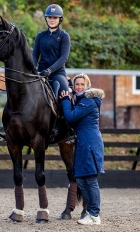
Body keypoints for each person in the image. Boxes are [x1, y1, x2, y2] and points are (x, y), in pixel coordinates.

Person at [0, 4, 71, 142]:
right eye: (49, 17)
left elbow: (63, 58)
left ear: (60, 19)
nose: (52, 20)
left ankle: (67, 129)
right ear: (46, 19)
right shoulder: (40, 36)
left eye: (55, 18)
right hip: (40, 73)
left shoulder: (64, 36)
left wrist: (50, 70)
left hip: (57, 74)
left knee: (64, 93)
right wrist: (33, 70)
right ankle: (8, 128)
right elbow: (34, 56)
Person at [60, 73, 105, 225]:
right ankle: (91, 213)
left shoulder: (88, 101)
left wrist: (65, 100)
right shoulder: (81, 99)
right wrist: (69, 88)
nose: (79, 87)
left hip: (90, 143)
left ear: (87, 86)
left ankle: (94, 215)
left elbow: (70, 117)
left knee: (91, 180)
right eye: (76, 84)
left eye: (82, 84)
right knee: (79, 178)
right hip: (82, 143)